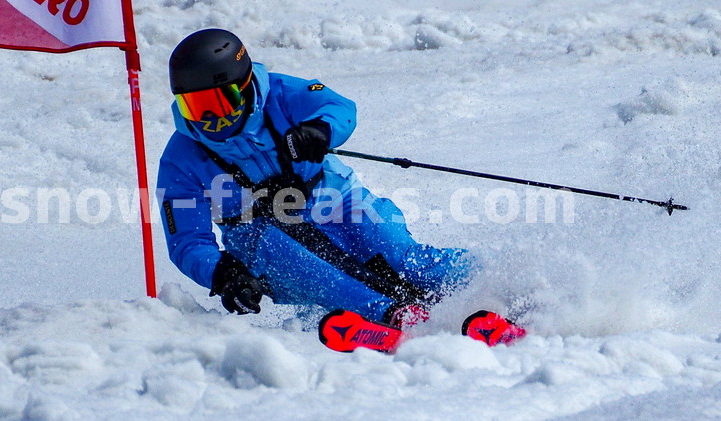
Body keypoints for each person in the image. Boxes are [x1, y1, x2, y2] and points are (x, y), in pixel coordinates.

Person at [155, 27, 523, 346]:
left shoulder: (281, 93)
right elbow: (188, 242)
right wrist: (221, 272)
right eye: (195, 106)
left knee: (400, 257)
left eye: (220, 101)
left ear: (247, 85)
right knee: (315, 268)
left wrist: (320, 130)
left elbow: (338, 106)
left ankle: (507, 278)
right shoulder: (179, 161)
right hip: (262, 239)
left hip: (335, 199)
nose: (211, 118)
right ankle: (392, 317)